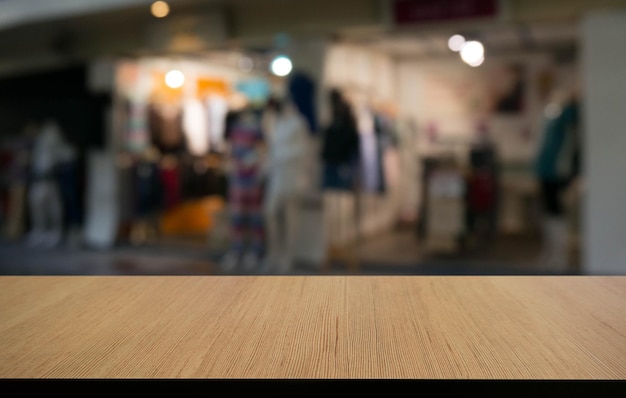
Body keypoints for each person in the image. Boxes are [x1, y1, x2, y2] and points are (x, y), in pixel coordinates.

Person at [262, 96, 311, 274]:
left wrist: (303, 178)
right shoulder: (276, 123)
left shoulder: (298, 123)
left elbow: (303, 150)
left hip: (292, 178)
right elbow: (272, 148)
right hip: (276, 178)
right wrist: (266, 166)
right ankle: (273, 254)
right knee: (270, 214)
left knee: (290, 219)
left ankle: (287, 257)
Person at [534, 88, 580, 272]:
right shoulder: (552, 117)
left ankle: (559, 257)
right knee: (549, 212)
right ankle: (550, 253)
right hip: (546, 171)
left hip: (558, 173)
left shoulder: (568, 116)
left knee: (556, 212)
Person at [219, 104, 266, 272]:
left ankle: (255, 251)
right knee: (237, 217)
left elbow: (262, 151)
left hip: (252, 179)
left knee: (254, 217)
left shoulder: (257, 129)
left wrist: (254, 163)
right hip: (238, 178)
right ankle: (237, 250)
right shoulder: (235, 128)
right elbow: (230, 150)